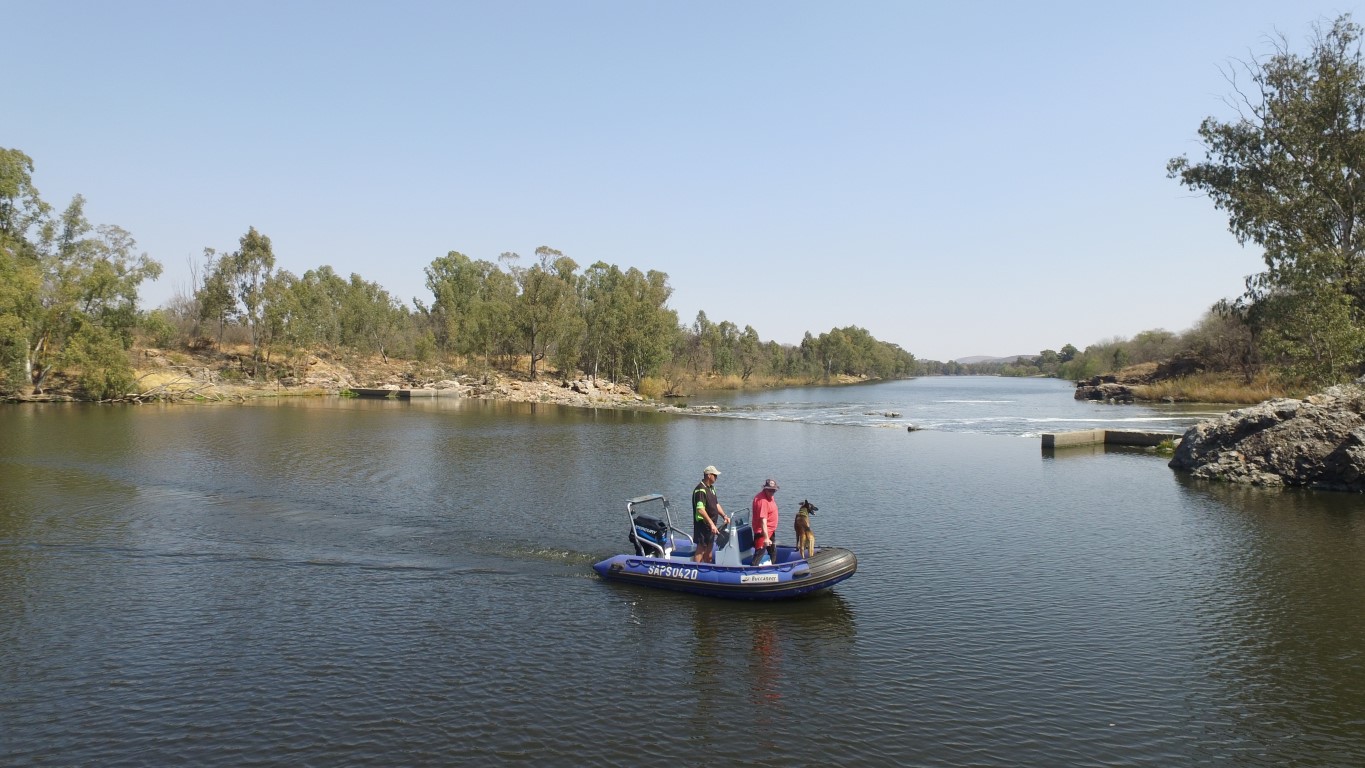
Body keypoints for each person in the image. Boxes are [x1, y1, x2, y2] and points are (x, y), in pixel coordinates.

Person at [692, 465, 729, 563]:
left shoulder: (712, 488)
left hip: (711, 526)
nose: (716, 477)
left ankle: (708, 567)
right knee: (701, 549)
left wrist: (724, 516)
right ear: (709, 475)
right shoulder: (700, 490)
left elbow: (716, 504)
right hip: (703, 525)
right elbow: (700, 509)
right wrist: (711, 524)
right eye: (715, 475)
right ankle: (695, 569)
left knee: (709, 551)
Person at [750, 478, 779, 566]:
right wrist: (766, 538)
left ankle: (773, 569)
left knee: (773, 552)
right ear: (765, 489)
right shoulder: (762, 501)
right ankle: (752, 570)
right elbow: (763, 521)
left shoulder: (769, 496)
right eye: (770, 490)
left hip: (770, 530)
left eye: (774, 490)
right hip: (763, 533)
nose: (772, 492)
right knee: (759, 554)